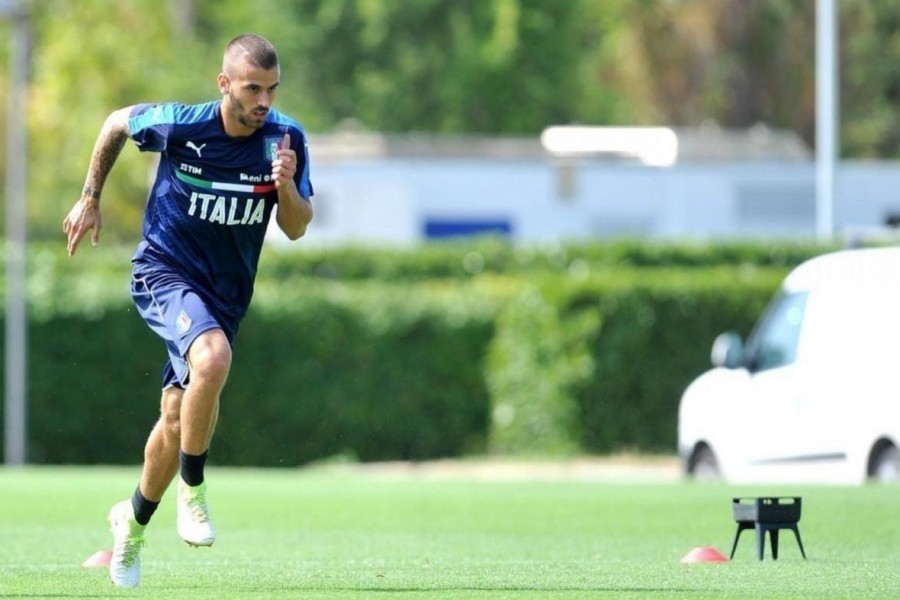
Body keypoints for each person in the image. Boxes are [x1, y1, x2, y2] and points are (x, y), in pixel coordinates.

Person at [62, 34, 313, 588]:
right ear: (225, 85)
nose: (263, 101)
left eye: (271, 89)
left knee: (176, 420)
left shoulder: (285, 138)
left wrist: (287, 185)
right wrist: (90, 196)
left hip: (225, 294)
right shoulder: (181, 124)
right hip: (163, 273)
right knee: (214, 358)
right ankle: (193, 492)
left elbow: (295, 227)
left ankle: (131, 522)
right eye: (252, 89)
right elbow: (116, 124)